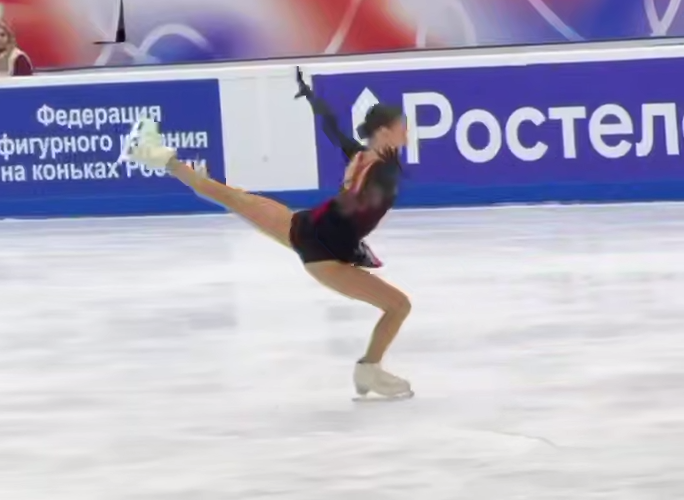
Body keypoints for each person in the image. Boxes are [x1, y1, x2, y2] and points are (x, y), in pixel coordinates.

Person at [120, 67, 413, 398]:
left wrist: (312, 98)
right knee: (399, 306)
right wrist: (354, 241)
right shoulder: (384, 171)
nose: (406, 133)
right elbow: (354, 202)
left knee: (233, 197)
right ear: (384, 132)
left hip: (304, 227)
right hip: (325, 253)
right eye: (402, 127)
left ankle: (157, 155)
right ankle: (368, 369)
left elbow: (331, 127)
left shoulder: (359, 156)